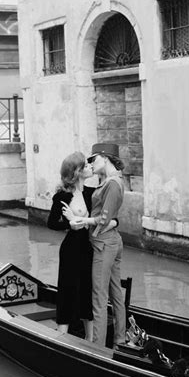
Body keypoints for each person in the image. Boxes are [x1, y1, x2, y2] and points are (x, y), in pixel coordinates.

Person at [47, 151, 118, 341]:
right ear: (77, 172)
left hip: (89, 248)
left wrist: (115, 222)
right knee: (68, 290)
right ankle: (62, 336)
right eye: (85, 166)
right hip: (71, 249)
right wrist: (68, 224)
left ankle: (91, 339)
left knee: (88, 291)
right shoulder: (62, 196)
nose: (89, 167)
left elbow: (106, 216)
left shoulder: (92, 193)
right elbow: (52, 223)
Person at [68, 143, 125, 348]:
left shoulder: (111, 183)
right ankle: (119, 340)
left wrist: (83, 221)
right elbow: (110, 218)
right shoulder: (114, 181)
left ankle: (98, 347)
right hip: (112, 240)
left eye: (94, 159)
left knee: (99, 297)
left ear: (105, 158)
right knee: (116, 293)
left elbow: (104, 218)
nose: (92, 163)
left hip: (104, 243)